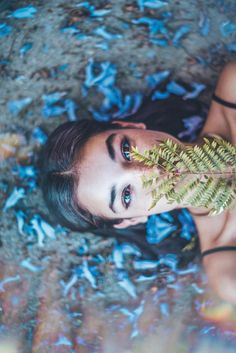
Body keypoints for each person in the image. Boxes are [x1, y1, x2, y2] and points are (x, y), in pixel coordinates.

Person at [40, 62, 236, 305]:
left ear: (130, 127)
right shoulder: (229, 270)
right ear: (133, 220)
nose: (149, 171)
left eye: (125, 150)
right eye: (125, 196)